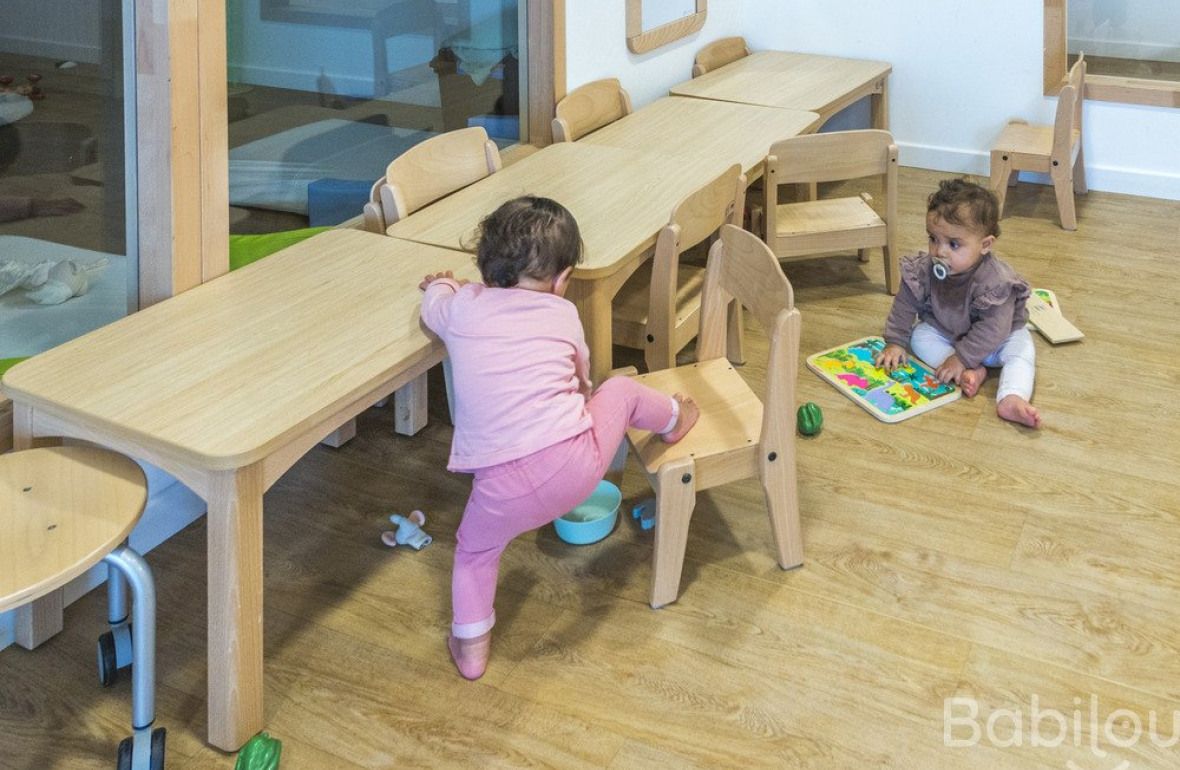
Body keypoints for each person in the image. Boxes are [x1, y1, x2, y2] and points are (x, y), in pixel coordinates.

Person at [419, 196, 699, 680]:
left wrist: (441, 283)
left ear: (485, 267)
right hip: (575, 467)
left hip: (498, 489)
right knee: (621, 390)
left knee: (473, 555)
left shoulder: (462, 308)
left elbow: (432, 307)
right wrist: (587, 411)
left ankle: (471, 651)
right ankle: (674, 418)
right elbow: (583, 381)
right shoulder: (562, 315)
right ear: (563, 278)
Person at [875, 178, 1040, 428]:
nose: (940, 251)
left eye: (953, 244)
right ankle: (968, 374)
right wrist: (895, 341)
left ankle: (1011, 397)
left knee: (1022, 352)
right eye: (933, 238)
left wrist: (962, 357)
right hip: (950, 332)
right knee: (920, 337)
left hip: (999, 339)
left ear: (985, 245)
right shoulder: (924, 269)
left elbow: (994, 328)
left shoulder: (995, 281)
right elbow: (905, 303)